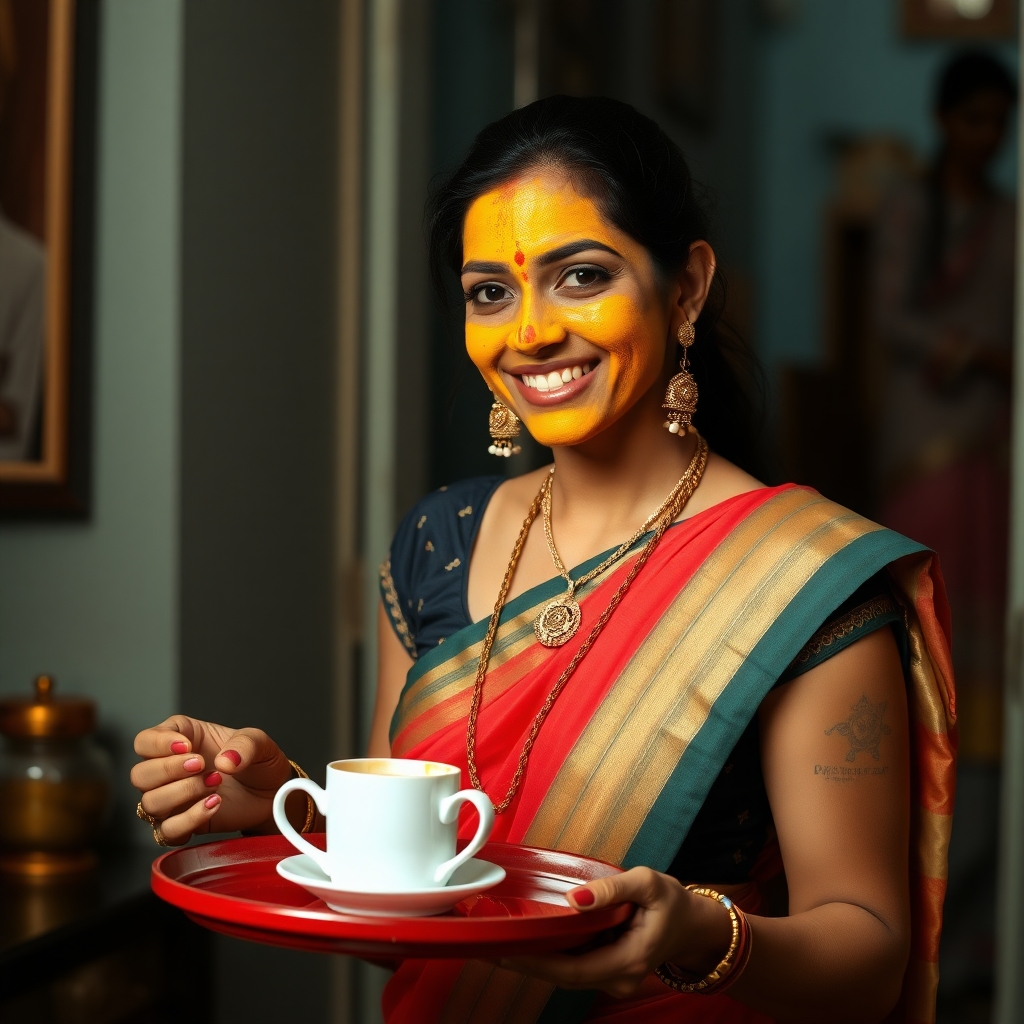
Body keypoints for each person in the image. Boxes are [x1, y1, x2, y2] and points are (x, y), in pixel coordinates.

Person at [132, 97, 955, 1024]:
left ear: (685, 287)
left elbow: (869, 955)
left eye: (581, 276)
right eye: (491, 292)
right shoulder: (436, 544)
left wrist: (695, 935)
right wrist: (283, 807)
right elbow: (409, 933)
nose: (528, 332)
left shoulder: (800, 577)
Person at [872, 51, 1015, 1003]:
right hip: (920, 461)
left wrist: (980, 357)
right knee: (920, 668)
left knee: (989, 685)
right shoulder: (904, 206)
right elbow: (888, 317)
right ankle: (899, 921)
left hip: (991, 466)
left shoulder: (1010, 223)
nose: (985, 138)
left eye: (998, 123)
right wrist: (960, 350)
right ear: (942, 120)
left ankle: (970, 936)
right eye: (970, 121)